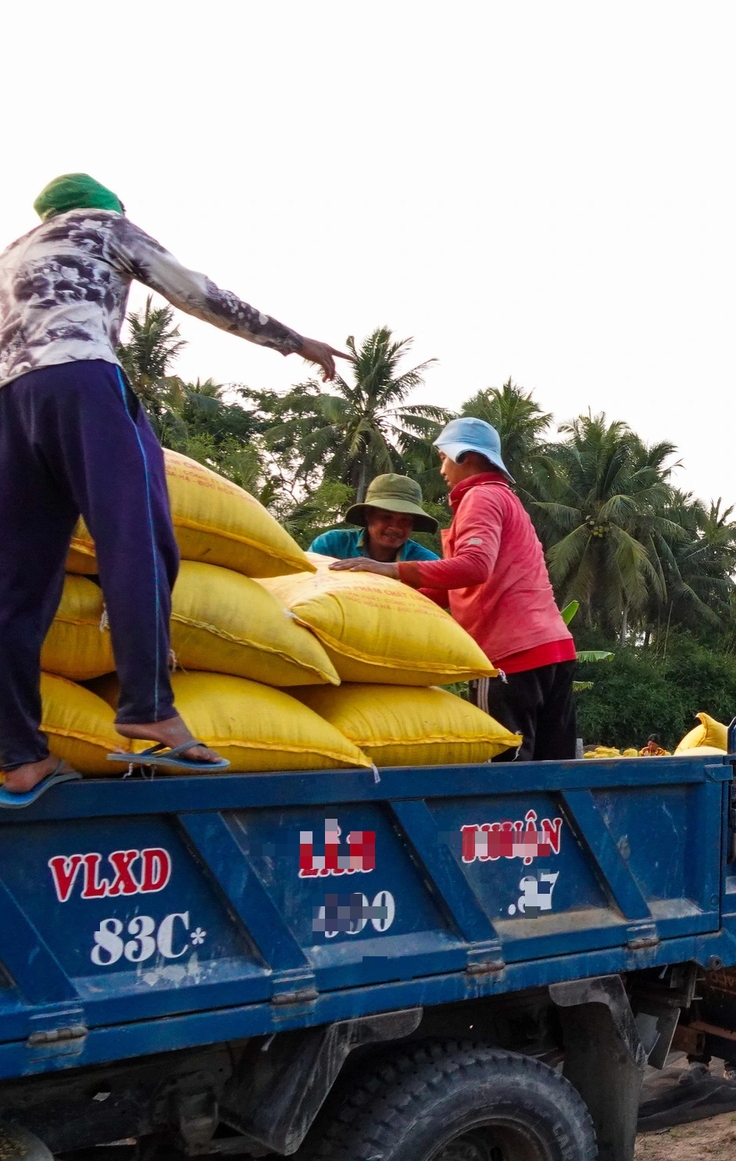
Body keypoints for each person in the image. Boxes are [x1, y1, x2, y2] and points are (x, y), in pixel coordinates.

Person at [1, 174, 344, 802]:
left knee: (14, 589)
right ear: (107, 207)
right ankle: (148, 707)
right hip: (83, 382)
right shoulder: (102, 226)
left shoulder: (12, 255)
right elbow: (198, 293)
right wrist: (293, 342)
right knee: (139, 537)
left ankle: (20, 756)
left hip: (9, 407)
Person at [330, 418, 577, 760]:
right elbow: (453, 590)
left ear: (465, 457)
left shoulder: (480, 497)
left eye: (443, 457)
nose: (442, 468)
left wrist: (390, 570)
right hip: (552, 650)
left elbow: (475, 566)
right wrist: (387, 604)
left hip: (510, 656)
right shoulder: (506, 499)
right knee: (553, 771)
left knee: (502, 771)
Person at [307, 473, 441, 563]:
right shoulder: (331, 544)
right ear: (368, 515)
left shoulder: (425, 562)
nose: (395, 528)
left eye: (405, 520)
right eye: (386, 517)